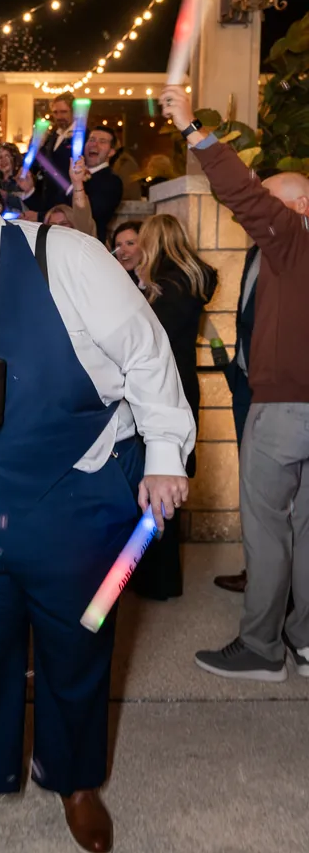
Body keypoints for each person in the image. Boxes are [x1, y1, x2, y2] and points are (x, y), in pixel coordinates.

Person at [0, 145, 195, 853]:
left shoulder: (62, 253)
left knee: (78, 648)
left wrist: (164, 455)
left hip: (74, 502)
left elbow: (146, 353)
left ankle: (74, 781)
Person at [161, 84, 309, 682]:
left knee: (267, 529)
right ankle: (304, 643)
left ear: (299, 206)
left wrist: (193, 129)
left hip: (286, 409)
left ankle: (261, 648)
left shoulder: (293, 239)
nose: (259, 221)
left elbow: (243, 195)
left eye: (274, 206)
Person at [131, 214, 218, 600]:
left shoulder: (166, 289)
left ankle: (158, 581)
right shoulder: (194, 281)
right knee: (169, 482)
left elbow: (147, 343)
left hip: (165, 390)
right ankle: (159, 578)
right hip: (186, 385)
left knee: (158, 485)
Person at [214, 241, 260, 594]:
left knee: (279, 490)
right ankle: (258, 571)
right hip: (245, 380)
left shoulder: (295, 249)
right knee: (252, 483)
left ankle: (281, 584)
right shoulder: (254, 250)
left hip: (279, 387)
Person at [83, 128, 124, 245]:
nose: (94, 144)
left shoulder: (112, 181)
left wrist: (78, 185)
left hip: (88, 245)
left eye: (102, 141)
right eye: (91, 140)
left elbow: (93, 213)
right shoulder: (71, 173)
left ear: (111, 152)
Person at [0, 142, 27, 213]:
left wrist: (6, 196)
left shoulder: (23, 181)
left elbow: (27, 205)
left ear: (14, 158)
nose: (3, 160)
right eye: (0, 157)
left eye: (7, 156)